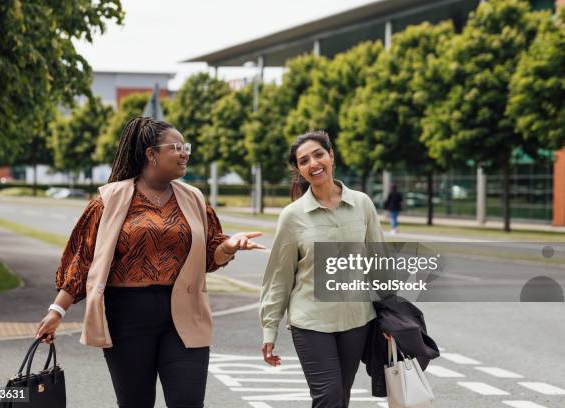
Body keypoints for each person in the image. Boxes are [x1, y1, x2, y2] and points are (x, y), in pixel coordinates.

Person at [35, 117, 265, 408]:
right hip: (127, 317)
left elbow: (209, 255)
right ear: (151, 154)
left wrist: (229, 246)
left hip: (184, 313)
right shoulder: (110, 199)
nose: (185, 153)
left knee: (188, 402)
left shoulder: (193, 198)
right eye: (177, 147)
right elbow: (82, 259)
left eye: (187, 147)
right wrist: (57, 310)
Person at [259, 131, 388, 408]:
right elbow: (279, 277)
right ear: (299, 170)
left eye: (318, 154)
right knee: (328, 397)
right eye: (304, 160)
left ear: (331, 156)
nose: (313, 163)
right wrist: (269, 329)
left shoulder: (362, 204)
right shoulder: (292, 216)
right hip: (311, 322)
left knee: (341, 396)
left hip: (356, 320)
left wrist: (390, 315)